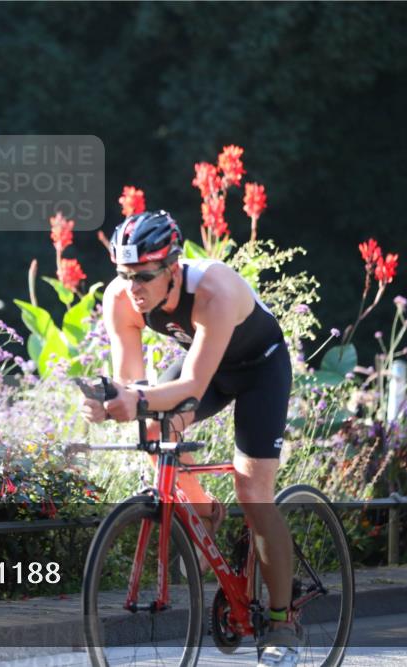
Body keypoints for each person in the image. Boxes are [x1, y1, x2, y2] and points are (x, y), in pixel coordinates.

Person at [80, 210, 300, 666]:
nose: (133, 287)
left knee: (253, 491)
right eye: (124, 275)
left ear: (173, 268)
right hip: (213, 370)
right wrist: (109, 402)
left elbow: (192, 388)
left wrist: (133, 400)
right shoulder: (121, 297)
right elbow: (135, 385)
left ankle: (282, 622)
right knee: (155, 430)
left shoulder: (214, 290)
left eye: (144, 276)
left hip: (260, 370)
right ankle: (203, 512)